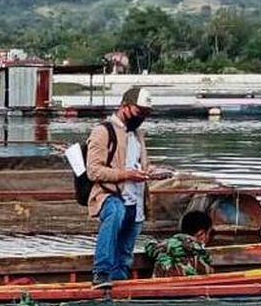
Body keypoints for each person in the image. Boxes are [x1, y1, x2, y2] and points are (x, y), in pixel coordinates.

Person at [85, 86, 170, 288]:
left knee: (124, 255)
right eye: (139, 112)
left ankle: (120, 286)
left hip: (136, 198)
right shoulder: (102, 131)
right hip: (111, 194)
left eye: (146, 113)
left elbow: (140, 164)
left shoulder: (137, 134)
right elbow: (93, 171)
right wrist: (126, 175)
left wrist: (152, 171)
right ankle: (101, 272)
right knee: (115, 213)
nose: (142, 117)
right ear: (125, 106)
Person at [144, 210, 215, 277]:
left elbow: (150, 244)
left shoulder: (161, 249)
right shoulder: (198, 255)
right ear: (201, 234)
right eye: (210, 233)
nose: (208, 238)